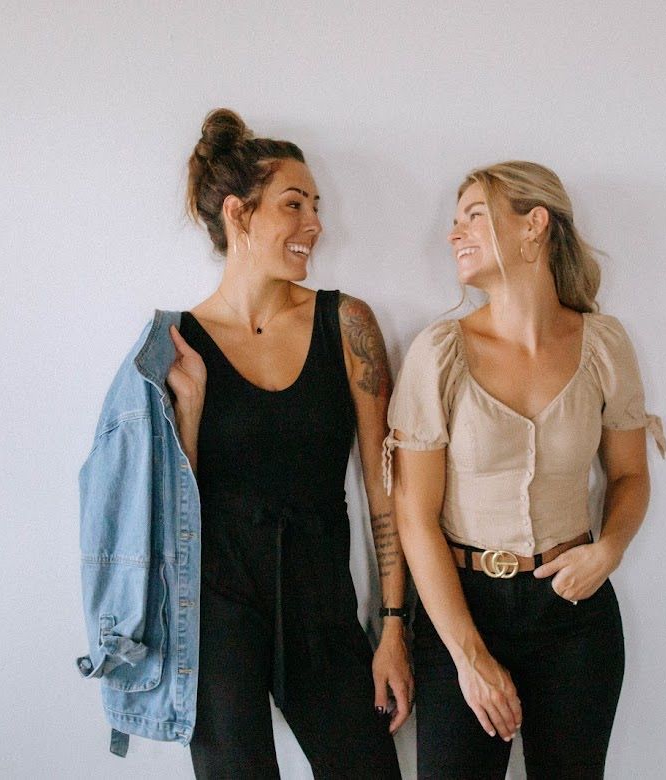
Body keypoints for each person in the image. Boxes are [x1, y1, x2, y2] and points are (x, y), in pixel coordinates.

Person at [384, 161, 666, 778]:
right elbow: (413, 514)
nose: (453, 233)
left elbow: (629, 475)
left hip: (575, 614)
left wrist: (609, 550)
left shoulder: (604, 344)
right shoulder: (439, 352)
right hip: (463, 608)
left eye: (474, 216)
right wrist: (468, 656)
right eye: (454, 220)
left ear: (533, 226)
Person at [169, 108, 408, 777]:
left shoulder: (347, 322)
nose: (316, 225)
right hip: (217, 610)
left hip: (320, 598)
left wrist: (393, 625)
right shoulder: (179, 342)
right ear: (241, 215)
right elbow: (171, 514)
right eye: (294, 205)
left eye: (316, 206)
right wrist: (187, 416)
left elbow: (383, 486)